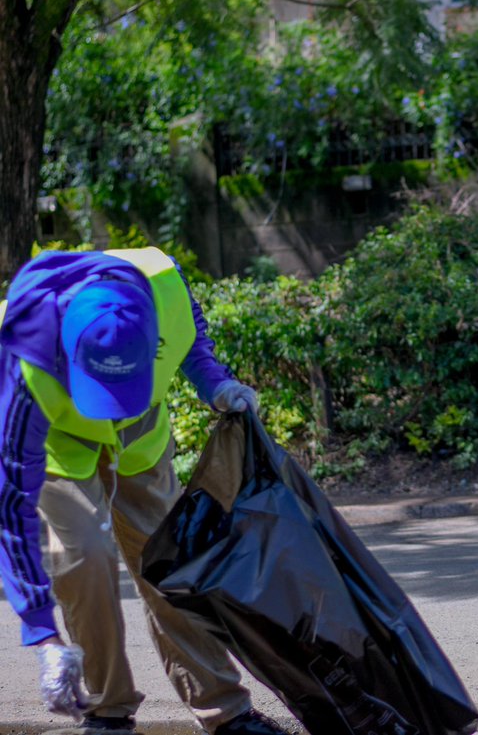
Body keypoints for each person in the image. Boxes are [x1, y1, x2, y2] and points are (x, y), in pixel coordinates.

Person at [0, 247, 288, 734]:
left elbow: (190, 339)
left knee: (172, 563)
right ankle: (107, 710)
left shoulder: (164, 283)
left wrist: (214, 383)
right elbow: (13, 513)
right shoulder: (20, 358)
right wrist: (43, 636)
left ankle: (225, 711)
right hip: (56, 444)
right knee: (82, 558)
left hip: (141, 437)